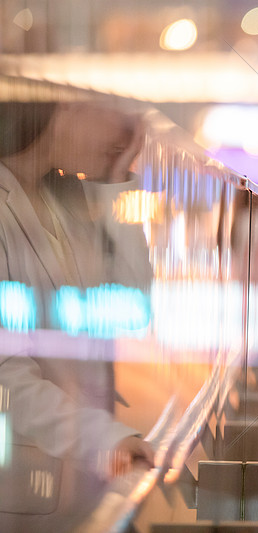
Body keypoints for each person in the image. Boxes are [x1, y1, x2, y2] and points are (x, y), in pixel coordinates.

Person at [0, 97, 154, 531]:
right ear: (64, 107)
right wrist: (106, 438)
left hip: (75, 481)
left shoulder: (63, 200)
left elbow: (131, 303)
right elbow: (4, 374)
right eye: (118, 113)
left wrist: (116, 181)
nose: (129, 134)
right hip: (21, 489)